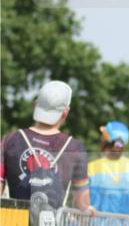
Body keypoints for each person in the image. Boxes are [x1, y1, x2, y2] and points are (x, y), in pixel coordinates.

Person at [0, 80, 91, 210]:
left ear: (35, 105)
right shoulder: (75, 148)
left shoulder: (9, 140)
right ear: (65, 112)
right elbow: (82, 205)